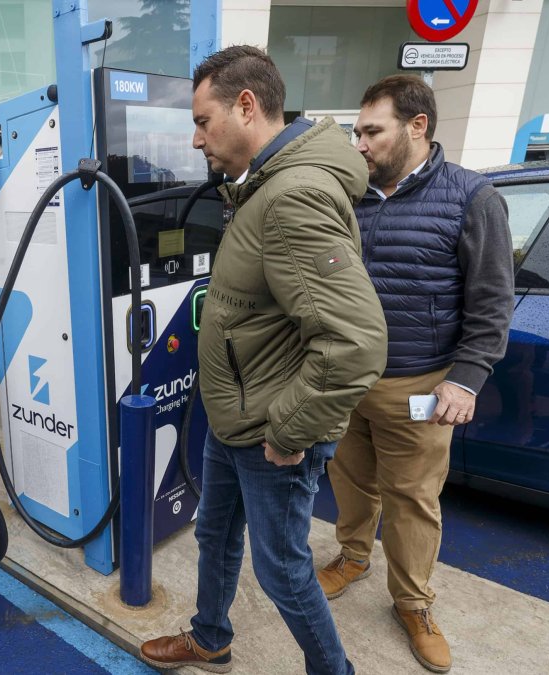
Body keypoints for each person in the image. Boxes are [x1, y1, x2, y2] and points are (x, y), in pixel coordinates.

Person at [140, 46, 386, 675]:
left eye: (203, 121)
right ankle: (210, 636)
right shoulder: (263, 185)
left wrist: (288, 433)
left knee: (281, 569)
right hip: (236, 420)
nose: (197, 140)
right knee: (215, 534)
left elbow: (355, 343)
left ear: (246, 106)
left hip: (272, 431)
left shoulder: (290, 199)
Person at [317, 75, 514, 674]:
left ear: (418, 127)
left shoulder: (472, 199)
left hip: (421, 385)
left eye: (371, 131)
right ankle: (352, 557)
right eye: (356, 132)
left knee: (412, 500)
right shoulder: (351, 196)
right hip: (348, 380)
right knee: (349, 480)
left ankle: (413, 602)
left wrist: (467, 378)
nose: (361, 144)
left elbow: (492, 302)